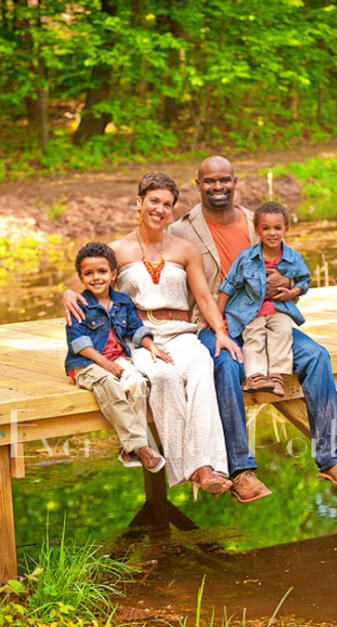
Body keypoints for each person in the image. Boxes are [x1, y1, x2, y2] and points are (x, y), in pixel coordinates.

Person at [169, 155, 337, 493]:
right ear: (198, 185)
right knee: (226, 366)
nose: (218, 187)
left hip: (265, 318)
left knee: (316, 356)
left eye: (224, 180)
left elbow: (289, 268)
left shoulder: (255, 222)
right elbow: (147, 255)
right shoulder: (180, 229)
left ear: (235, 182)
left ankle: (332, 459)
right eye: (210, 181)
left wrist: (287, 285)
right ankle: (241, 471)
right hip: (215, 323)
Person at [64, 172, 242, 499]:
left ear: (173, 210)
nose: (160, 209)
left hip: (182, 332)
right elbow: (84, 286)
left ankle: (210, 467)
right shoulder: (116, 250)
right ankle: (190, 468)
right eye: (154, 201)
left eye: (167, 205)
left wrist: (220, 332)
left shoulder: (186, 249)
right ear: (139, 203)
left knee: (202, 369)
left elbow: (203, 296)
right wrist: (66, 293)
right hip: (140, 335)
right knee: (162, 377)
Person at [65, 241, 166, 473]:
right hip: (86, 363)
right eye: (88, 273)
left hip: (118, 359)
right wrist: (105, 364)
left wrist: (151, 346)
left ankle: (129, 449)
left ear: (113, 274)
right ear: (81, 278)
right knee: (109, 384)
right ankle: (141, 446)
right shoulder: (78, 305)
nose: (96, 277)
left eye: (102, 271)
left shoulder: (123, 301)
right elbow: (79, 343)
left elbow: (135, 328)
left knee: (139, 384)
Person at [218, 201, 311, 399]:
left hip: (279, 309)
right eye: (266, 228)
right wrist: (219, 318)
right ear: (257, 230)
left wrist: (291, 292)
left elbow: (304, 281)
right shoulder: (247, 258)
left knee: (283, 332)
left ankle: (277, 376)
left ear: (286, 229)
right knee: (253, 336)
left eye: (277, 228)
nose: (272, 233)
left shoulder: (292, 258)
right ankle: (255, 376)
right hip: (252, 310)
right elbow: (229, 285)